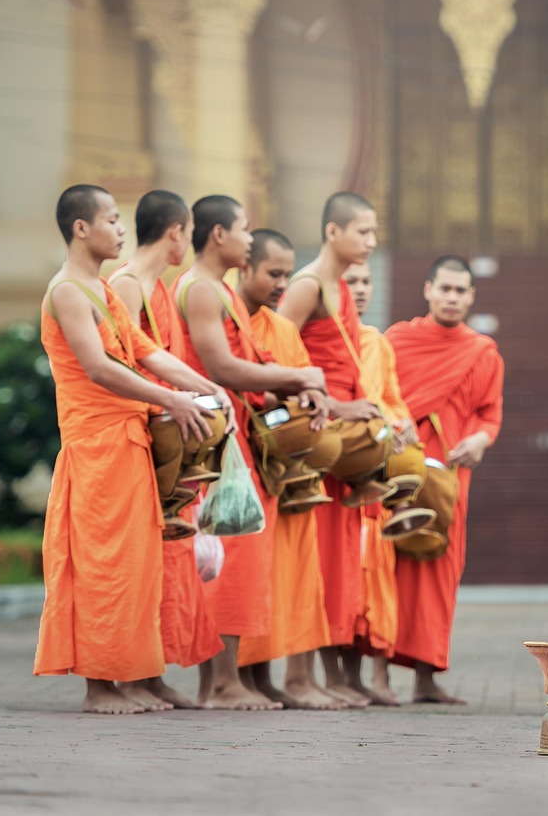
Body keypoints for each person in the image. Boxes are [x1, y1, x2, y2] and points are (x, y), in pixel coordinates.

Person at [34, 184, 231, 714]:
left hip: (129, 440)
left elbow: (148, 353)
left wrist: (209, 391)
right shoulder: (68, 292)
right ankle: (99, 687)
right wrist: (173, 399)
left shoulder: (100, 288)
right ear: (81, 228)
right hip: (96, 446)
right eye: (113, 220)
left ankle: (137, 675)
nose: (122, 230)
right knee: (102, 565)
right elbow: (99, 368)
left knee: (139, 567)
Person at [172, 194, 328, 710]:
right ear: (218, 235)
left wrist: (292, 391)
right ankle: (220, 684)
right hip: (216, 445)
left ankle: (223, 681)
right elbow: (221, 368)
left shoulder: (219, 291)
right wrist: (298, 375)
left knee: (235, 559)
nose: (247, 238)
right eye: (243, 230)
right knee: (227, 558)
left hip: (235, 438)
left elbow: (246, 368)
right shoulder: (199, 289)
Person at [106, 189, 224, 711]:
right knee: (135, 565)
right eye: (188, 231)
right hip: (135, 435)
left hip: (164, 433)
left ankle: (152, 674)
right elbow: (123, 365)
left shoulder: (160, 287)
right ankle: (128, 676)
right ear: (176, 231)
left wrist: (206, 393)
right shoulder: (126, 285)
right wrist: (173, 402)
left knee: (166, 567)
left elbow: (159, 357)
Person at [277, 191, 385, 707]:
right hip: (315, 437)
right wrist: (336, 409)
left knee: (335, 563)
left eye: (373, 231)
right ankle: (296, 678)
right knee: (307, 560)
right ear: (332, 232)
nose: (372, 241)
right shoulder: (305, 285)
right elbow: (274, 356)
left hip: (343, 445)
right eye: (363, 231)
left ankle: (317, 675)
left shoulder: (339, 288)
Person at [233, 228, 347, 710]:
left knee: (296, 575)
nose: (283, 283)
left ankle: (286, 678)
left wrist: (315, 399)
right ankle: (247, 679)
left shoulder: (279, 327)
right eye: (274, 273)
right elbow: (226, 374)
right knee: (248, 572)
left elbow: (304, 375)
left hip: (289, 469)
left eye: (287, 273)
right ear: (244, 267)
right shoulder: (227, 316)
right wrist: (287, 390)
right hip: (244, 461)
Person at [386, 256, 503, 704]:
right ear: (428, 289)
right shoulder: (398, 340)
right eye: (445, 289)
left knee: (440, 569)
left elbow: (490, 414)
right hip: (400, 469)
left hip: (451, 476)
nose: (452, 298)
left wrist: (480, 440)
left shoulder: (483, 351)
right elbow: (378, 395)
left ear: (472, 296)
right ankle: (377, 675)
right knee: (389, 563)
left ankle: (425, 677)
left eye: (461, 291)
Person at [341, 260, 418, 706]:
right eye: (351, 282)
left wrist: (402, 421)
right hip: (345, 472)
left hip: (380, 478)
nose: (361, 289)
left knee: (380, 580)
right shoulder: (322, 335)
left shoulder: (377, 342)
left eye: (367, 281)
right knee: (347, 578)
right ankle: (346, 676)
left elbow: (391, 397)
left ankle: (381, 677)